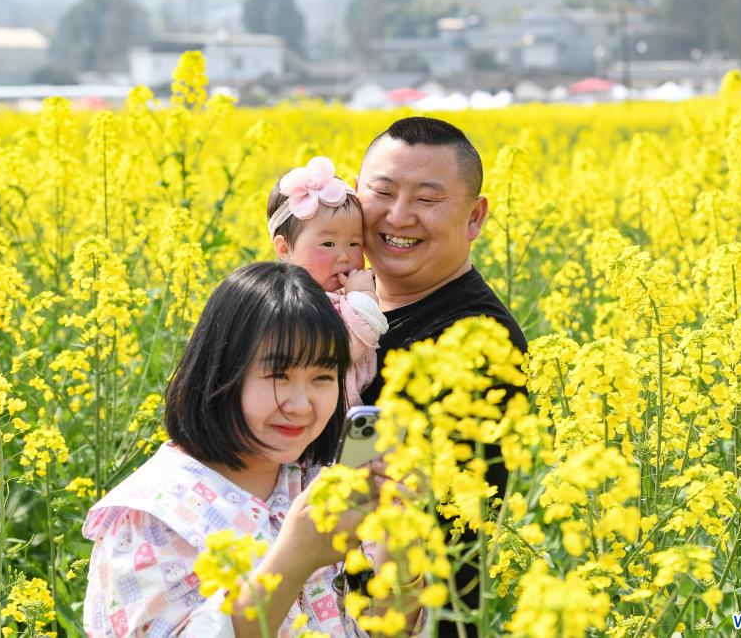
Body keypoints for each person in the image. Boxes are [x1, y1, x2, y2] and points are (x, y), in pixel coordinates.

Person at [82, 263, 374, 637]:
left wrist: (400, 551)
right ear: (221, 373)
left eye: (322, 377)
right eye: (278, 376)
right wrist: (295, 558)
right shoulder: (153, 516)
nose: (302, 405)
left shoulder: (314, 479)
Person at [356, 116, 527, 638]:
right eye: (381, 192)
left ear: (474, 218)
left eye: (428, 200)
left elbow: (392, 510)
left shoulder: (476, 342)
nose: (399, 216)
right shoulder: (344, 308)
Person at [267, 155, 388, 412]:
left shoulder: (337, 295)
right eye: (328, 244)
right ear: (284, 248)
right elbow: (342, 347)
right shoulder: (288, 302)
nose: (344, 256)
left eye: (355, 244)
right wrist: (363, 299)